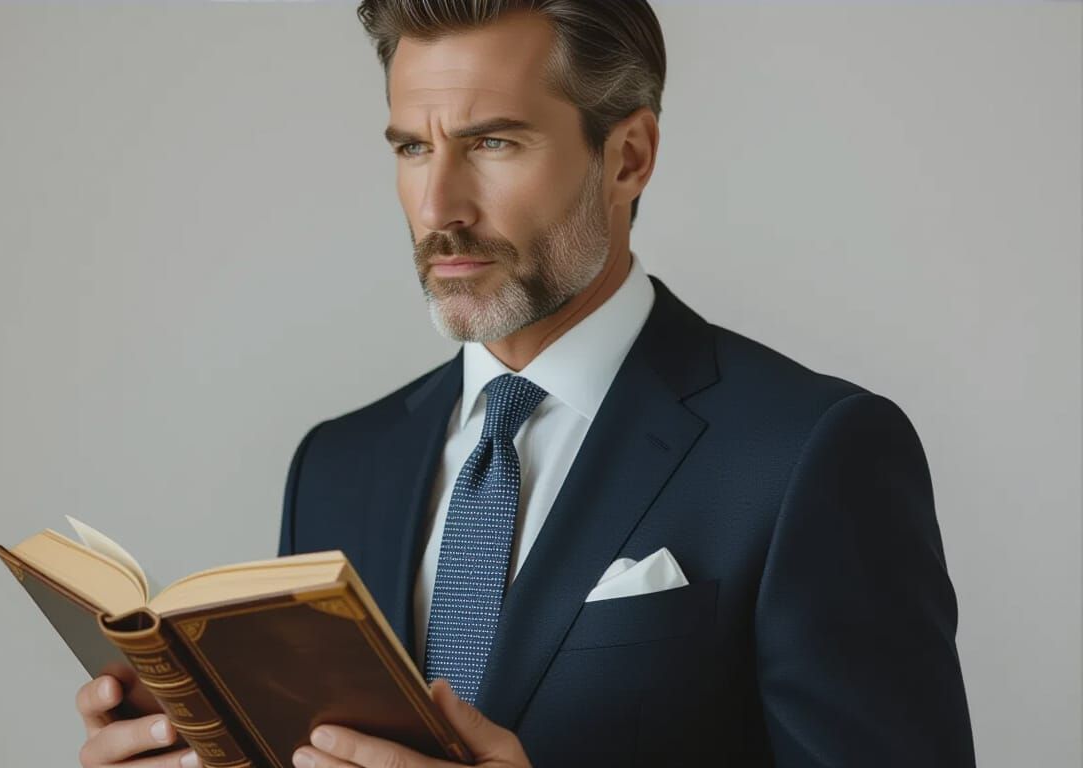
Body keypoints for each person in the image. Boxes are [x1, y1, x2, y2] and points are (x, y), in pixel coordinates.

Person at [75, 2, 977, 766]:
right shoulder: (338, 464)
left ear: (629, 158)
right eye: (411, 149)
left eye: (492, 143)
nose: (439, 209)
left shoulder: (812, 453)